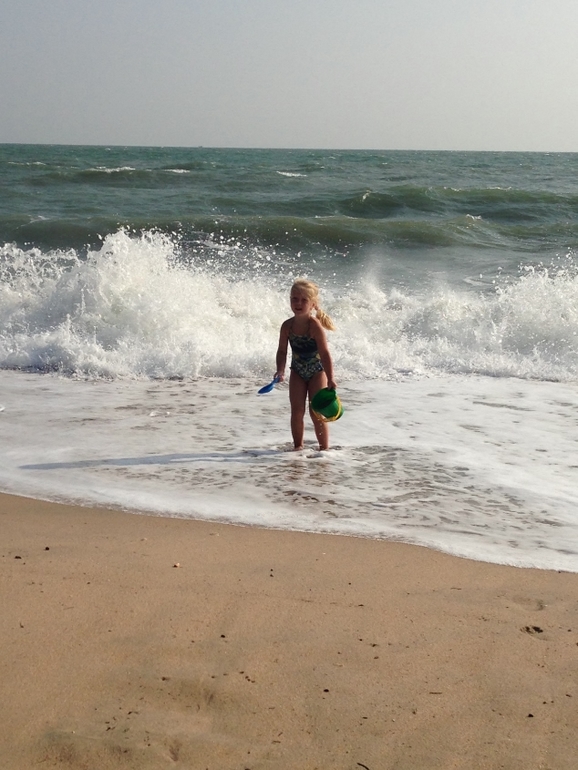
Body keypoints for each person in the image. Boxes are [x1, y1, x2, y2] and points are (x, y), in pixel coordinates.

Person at [275, 279, 336, 450]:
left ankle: (324, 450)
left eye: (304, 300)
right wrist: (280, 370)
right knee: (297, 411)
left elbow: (325, 353)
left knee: (315, 412)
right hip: (297, 372)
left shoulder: (314, 325)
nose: (298, 303)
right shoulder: (287, 326)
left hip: (317, 372)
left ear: (313, 304)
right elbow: (282, 351)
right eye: (294, 299)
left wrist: (331, 378)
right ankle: (298, 448)